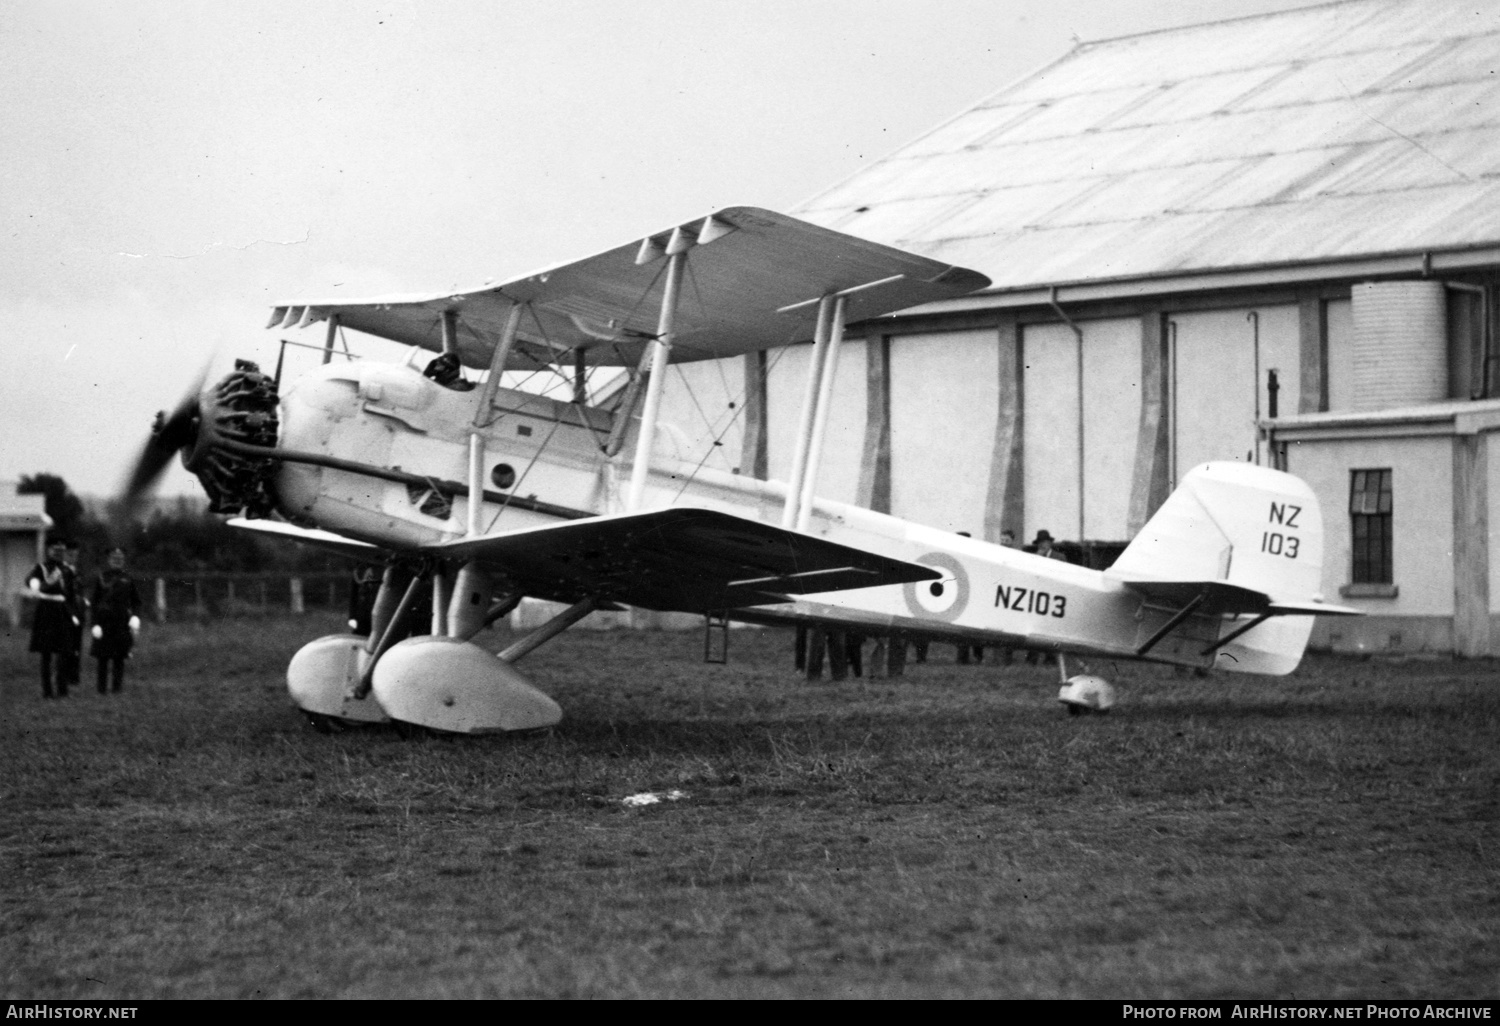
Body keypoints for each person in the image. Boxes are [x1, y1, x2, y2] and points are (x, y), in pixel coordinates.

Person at [27, 539, 81, 698]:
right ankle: (47, 691)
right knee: (46, 653)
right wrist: (35, 583)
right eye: (55, 549)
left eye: (61, 550)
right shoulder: (41, 568)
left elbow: (71, 594)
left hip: (62, 611)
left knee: (64, 652)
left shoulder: (67, 570)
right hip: (45, 611)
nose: (58, 553)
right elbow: (30, 579)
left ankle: (62, 689)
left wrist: (73, 614)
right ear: (48, 550)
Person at [89, 547, 142, 694]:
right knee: (103, 657)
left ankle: (117, 689)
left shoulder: (128, 578)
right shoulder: (101, 578)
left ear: (123, 560)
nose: (117, 560)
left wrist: (135, 616)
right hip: (104, 621)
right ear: (109, 559)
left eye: (120, 558)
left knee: (119, 657)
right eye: (114, 557)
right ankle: (101, 690)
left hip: (121, 622)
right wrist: (95, 624)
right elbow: (94, 602)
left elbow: (136, 601)